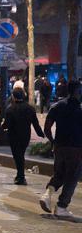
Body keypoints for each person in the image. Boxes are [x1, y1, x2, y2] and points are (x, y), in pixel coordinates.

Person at [40, 80, 82, 218]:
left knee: (59, 174)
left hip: (59, 146)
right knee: (72, 178)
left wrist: (53, 142)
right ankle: (61, 206)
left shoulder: (57, 106)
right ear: (78, 91)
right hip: (76, 148)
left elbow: (47, 128)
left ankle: (47, 195)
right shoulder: (80, 108)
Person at [0, 87, 43, 185]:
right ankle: (20, 176)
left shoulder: (10, 109)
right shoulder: (30, 109)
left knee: (18, 156)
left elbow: (6, 125)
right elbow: (35, 123)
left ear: (13, 96)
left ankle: (21, 176)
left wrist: (1, 126)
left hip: (14, 136)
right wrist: (41, 133)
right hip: (25, 135)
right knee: (21, 154)